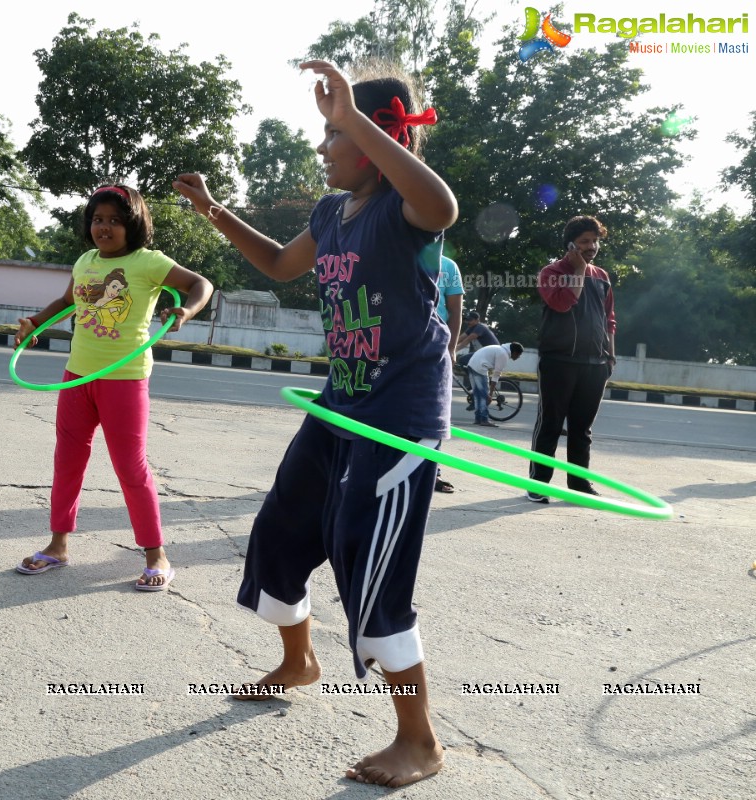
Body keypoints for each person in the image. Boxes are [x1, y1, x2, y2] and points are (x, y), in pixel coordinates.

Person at [175, 58, 457, 787]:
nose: (324, 148)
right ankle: (299, 659)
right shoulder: (332, 214)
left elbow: (444, 206)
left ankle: (418, 740)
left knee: (369, 561)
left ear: (376, 140)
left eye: (335, 135)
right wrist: (211, 207)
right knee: (281, 530)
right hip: (341, 402)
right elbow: (276, 264)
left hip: (398, 415)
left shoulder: (406, 213)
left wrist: (357, 117)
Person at [13, 184, 213, 591]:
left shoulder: (148, 262)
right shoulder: (85, 260)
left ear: (133, 224)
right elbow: (67, 302)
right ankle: (57, 546)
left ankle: (157, 555)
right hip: (77, 376)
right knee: (67, 460)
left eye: (115, 221)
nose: (104, 228)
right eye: (98, 219)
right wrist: (34, 322)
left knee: (130, 468)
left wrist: (185, 310)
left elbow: (201, 284)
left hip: (125, 379)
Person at [527, 216, 616, 503]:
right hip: (558, 361)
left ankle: (578, 485)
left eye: (595, 241)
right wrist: (578, 270)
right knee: (550, 424)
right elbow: (563, 304)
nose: (592, 247)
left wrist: (610, 357)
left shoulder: (602, 276)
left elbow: (609, 319)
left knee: (582, 429)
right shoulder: (551, 272)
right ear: (570, 245)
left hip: (595, 364)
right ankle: (539, 484)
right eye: (584, 242)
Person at [428, 254, 463, 491]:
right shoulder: (394, 252)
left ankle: (431, 472)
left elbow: (455, 310)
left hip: (434, 348)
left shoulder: (448, 266)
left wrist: (451, 348)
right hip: (397, 346)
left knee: (432, 414)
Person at [466, 342, 524, 427]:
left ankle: (478, 419)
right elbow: (496, 375)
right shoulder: (503, 354)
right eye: (519, 355)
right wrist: (490, 393)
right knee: (483, 396)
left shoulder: (499, 349)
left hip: (472, 365)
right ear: (515, 352)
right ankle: (484, 419)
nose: (519, 357)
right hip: (479, 367)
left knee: (478, 394)